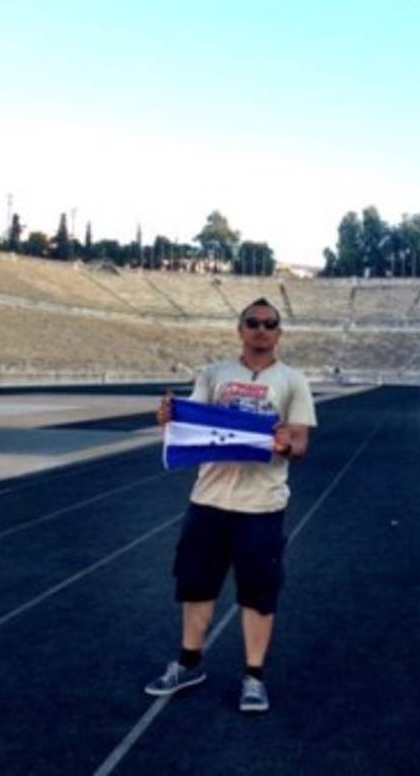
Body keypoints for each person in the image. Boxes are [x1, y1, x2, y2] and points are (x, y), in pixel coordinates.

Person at [145, 298, 317, 715]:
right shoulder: (213, 375)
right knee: (197, 584)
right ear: (239, 329)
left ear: (279, 333)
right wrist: (169, 416)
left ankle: (253, 676)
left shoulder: (293, 381)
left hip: (262, 505)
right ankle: (189, 663)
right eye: (252, 322)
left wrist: (284, 444)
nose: (261, 329)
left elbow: (300, 443)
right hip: (209, 500)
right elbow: (187, 425)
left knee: (259, 594)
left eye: (269, 323)